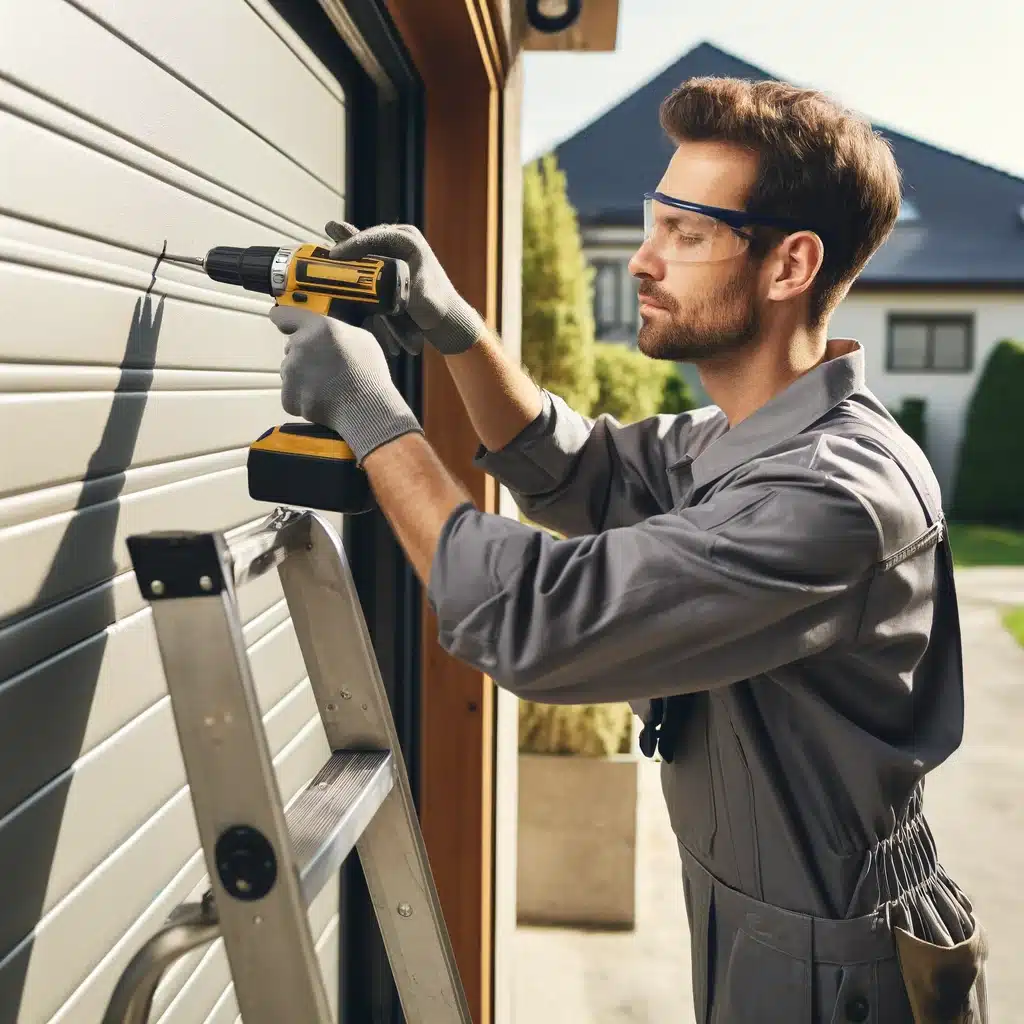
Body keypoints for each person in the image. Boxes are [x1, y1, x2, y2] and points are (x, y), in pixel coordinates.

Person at [270, 76, 989, 1023]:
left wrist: (369, 416)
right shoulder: (743, 435)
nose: (644, 260)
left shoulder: (834, 496)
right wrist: (458, 333)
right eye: (656, 222)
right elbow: (583, 474)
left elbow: (539, 621)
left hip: (840, 961)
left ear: (789, 266)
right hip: (762, 920)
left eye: (684, 234)